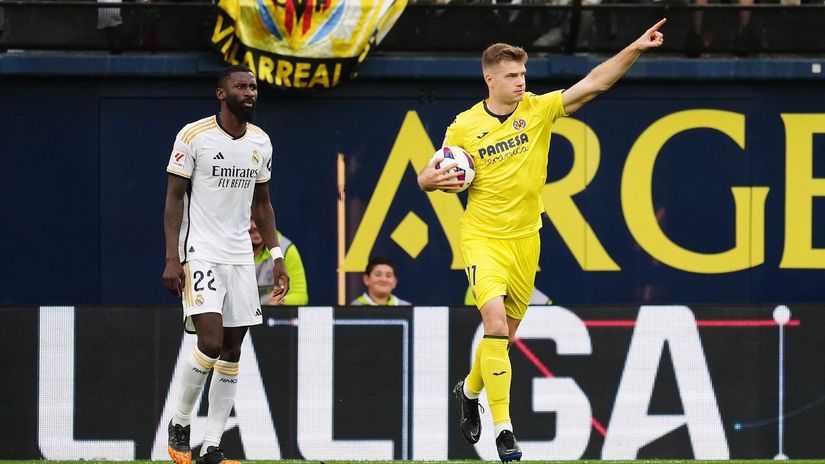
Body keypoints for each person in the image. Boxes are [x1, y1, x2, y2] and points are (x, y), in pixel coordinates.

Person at [416, 19, 665, 462]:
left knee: (504, 338)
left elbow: (593, 84)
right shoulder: (463, 127)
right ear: (489, 78)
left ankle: (469, 389)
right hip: (482, 238)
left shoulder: (537, 109)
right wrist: (427, 180)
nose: (520, 82)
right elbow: (432, 172)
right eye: (511, 76)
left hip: (526, 239)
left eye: (523, 75)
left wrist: (636, 48)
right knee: (493, 325)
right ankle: (504, 431)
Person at [162, 64, 289, 464]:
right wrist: (172, 257)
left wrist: (277, 255)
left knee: (233, 350)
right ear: (222, 94)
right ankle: (180, 423)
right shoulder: (193, 135)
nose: (250, 92)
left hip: (240, 257)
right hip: (201, 251)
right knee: (211, 341)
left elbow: (262, 204)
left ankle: (213, 447)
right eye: (242, 86)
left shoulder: (261, 142)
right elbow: (174, 198)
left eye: (254, 87)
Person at [250, 220, 309, 305]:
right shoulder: (228, 251)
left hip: (271, 316)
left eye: (258, 217)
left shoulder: (286, 249)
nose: (254, 226)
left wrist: (281, 300)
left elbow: (301, 296)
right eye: (249, 218)